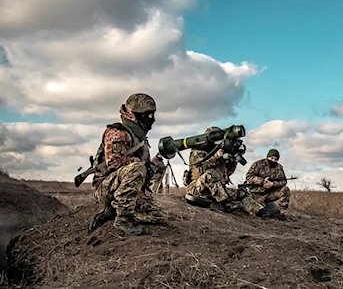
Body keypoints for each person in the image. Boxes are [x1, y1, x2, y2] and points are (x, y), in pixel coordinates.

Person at [88, 93, 167, 235]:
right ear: (135, 114)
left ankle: (112, 211)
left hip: (126, 185)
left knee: (159, 215)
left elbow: (142, 166)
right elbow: (114, 163)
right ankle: (124, 219)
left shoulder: (141, 139)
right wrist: (140, 165)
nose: (152, 119)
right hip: (106, 187)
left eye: (153, 114)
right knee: (136, 168)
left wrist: (154, 165)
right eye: (148, 115)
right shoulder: (117, 132)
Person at [184, 127, 266, 217]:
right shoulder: (198, 152)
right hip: (198, 189)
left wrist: (233, 161)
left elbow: (227, 174)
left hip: (217, 190)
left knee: (242, 193)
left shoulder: (221, 153)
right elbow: (199, 170)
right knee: (210, 173)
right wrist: (216, 157)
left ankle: (260, 212)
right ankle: (225, 204)